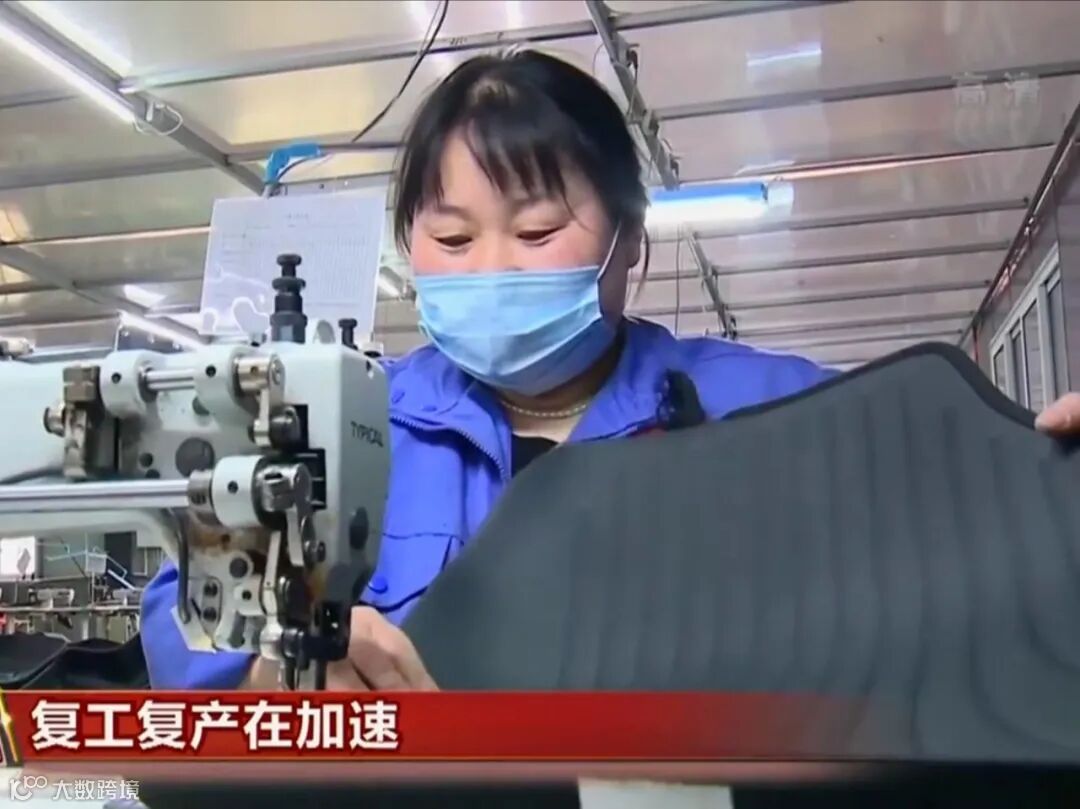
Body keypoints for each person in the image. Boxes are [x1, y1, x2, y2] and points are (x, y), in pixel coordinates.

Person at [140, 49, 1080, 692]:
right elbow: (183, 609)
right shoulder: (341, 427)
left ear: (630, 240)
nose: (491, 269)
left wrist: (1057, 465)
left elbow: (973, 510)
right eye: (452, 239)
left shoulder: (764, 407)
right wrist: (274, 662)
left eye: (537, 230)